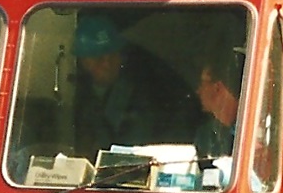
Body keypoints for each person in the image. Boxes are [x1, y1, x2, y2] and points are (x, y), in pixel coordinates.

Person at [70, 15, 189, 155]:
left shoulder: (145, 93)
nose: (107, 64)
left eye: (113, 55)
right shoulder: (79, 94)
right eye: (98, 58)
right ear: (83, 60)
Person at [192, 53, 240, 160]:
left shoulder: (256, 129)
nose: (198, 91)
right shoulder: (206, 136)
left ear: (217, 87)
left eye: (202, 84)